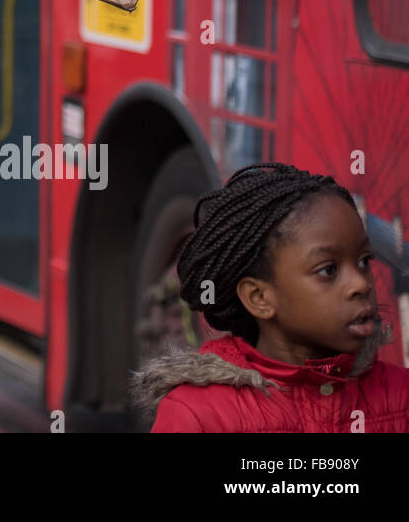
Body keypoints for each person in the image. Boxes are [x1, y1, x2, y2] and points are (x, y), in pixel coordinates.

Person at [133, 163, 409, 432]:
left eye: (364, 261)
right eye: (328, 270)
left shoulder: (400, 395)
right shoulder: (199, 415)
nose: (361, 284)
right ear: (259, 297)